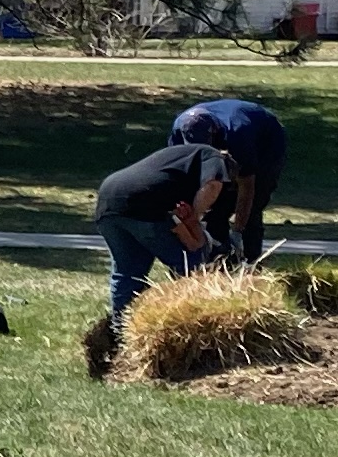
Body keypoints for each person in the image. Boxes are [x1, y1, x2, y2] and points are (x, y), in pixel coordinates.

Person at [82, 136, 237, 375]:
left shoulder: (181, 158)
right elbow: (213, 186)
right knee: (191, 265)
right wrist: (193, 217)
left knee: (128, 273)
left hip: (109, 201)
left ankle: (122, 337)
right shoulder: (214, 157)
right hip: (144, 205)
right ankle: (190, 333)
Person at [168, 95, 286, 265]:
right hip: (231, 137)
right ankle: (217, 260)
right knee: (216, 206)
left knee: (253, 206)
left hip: (266, 142)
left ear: (214, 132)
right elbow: (183, 174)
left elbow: (248, 186)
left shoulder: (237, 133)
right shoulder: (179, 129)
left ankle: (250, 262)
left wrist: (238, 231)